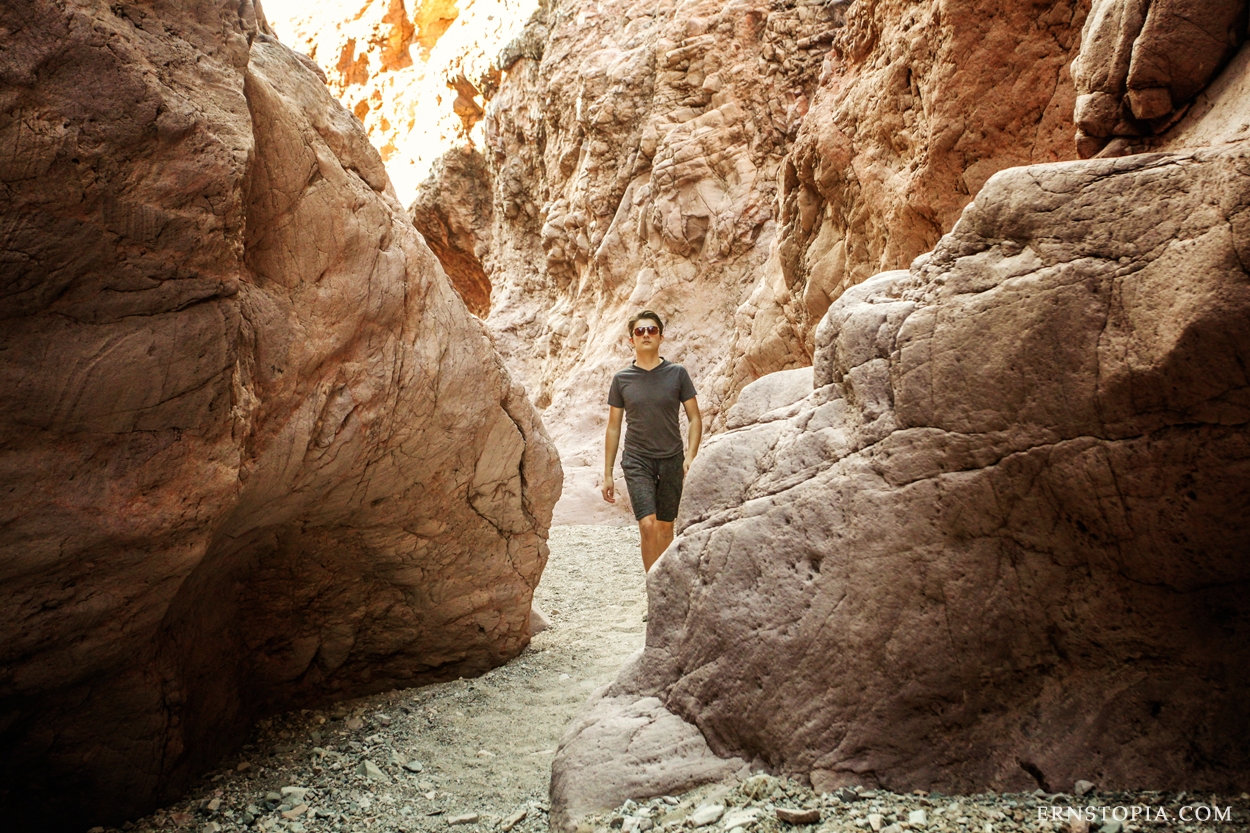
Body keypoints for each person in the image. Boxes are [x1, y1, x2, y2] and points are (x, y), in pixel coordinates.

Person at [601, 310, 701, 572]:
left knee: (666, 528)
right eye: (639, 331)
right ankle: (654, 591)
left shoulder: (677, 374)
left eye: (652, 330)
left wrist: (690, 456)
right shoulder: (621, 379)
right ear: (631, 340)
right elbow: (613, 428)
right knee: (647, 525)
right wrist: (608, 473)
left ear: (661, 337)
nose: (646, 334)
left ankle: (665, 587)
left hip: (671, 458)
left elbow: (694, 418)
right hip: (637, 459)